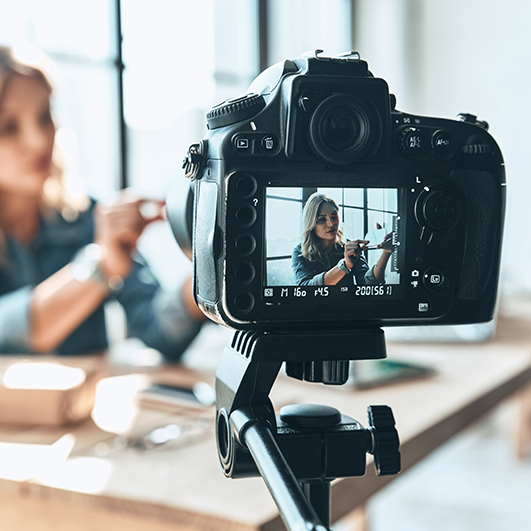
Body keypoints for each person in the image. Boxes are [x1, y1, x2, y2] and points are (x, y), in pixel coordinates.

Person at [0, 46, 205, 360]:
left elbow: (158, 328)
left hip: (83, 408)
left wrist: (212, 276)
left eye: (44, 115)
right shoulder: (99, 237)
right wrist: (101, 266)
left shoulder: (91, 215)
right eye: (9, 127)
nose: (39, 140)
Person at [291, 193, 393, 287]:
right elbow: (305, 289)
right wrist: (344, 266)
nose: (331, 224)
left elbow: (367, 284)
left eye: (334, 216)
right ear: (311, 224)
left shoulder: (348, 247)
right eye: (322, 219)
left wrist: (386, 253)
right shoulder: (300, 252)